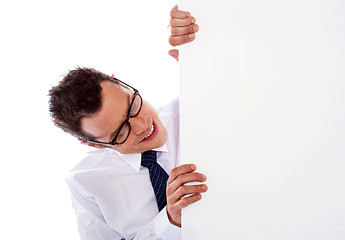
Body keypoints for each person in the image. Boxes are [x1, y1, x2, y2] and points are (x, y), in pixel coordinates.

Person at [48, 5, 206, 240]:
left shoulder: (193, 109)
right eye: (121, 131)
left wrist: (204, 41)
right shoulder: (86, 182)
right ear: (96, 145)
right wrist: (170, 221)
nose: (143, 126)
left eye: (132, 105)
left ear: (120, 82)